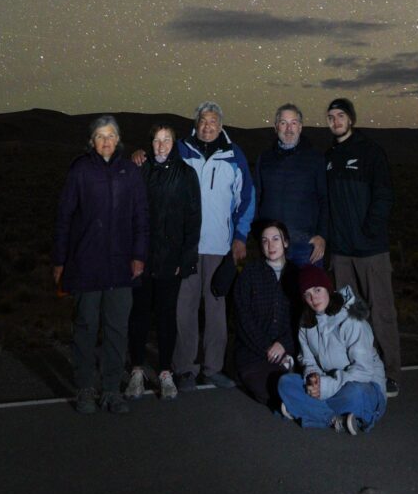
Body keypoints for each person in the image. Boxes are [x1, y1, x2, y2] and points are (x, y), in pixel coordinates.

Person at [52, 115, 148, 415]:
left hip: (121, 265)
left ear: (118, 139)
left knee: (116, 329)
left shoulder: (130, 171)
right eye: (100, 136)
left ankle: (111, 390)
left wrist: (139, 255)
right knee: (85, 327)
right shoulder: (81, 170)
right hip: (86, 262)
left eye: (110, 135)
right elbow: (64, 217)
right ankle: (84, 388)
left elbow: (141, 217)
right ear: (92, 141)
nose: (106, 141)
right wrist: (59, 260)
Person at [173, 100, 255, 390]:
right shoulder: (181, 150)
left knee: (216, 310)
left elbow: (246, 198)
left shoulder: (234, 155)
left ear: (221, 125)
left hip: (220, 246)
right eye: (203, 121)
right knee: (185, 308)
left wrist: (240, 236)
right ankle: (184, 369)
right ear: (196, 124)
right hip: (187, 246)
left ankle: (212, 368)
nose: (207, 127)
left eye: (213, 122)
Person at [325, 96, 401, 396]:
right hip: (342, 253)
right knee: (351, 313)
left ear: (351, 119)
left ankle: (391, 373)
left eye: (341, 116)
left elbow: (384, 195)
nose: (336, 121)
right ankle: (360, 368)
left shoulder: (370, 152)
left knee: (381, 312)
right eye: (331, 117)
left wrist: (370, 229)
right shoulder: (329, 157)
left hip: (371, 251)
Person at [125, 122, 201, 402]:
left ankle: (165, 371)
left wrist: (186, 258)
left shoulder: (186, 174)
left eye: (166, 139)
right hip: (142, 258)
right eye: (156, 140)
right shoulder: (139, 170)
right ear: (150, 143)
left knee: (167, 316)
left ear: (174, 143)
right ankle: (137, 370)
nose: (161, 145)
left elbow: (193, 218)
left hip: (171, 260)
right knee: (139, 315)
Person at [278, 266, 387, 434]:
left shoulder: (351, 320)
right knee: (286, 383)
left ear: (328, 288)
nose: (314, 298)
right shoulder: (306, 324)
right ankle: (334, 419)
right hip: (328, 386)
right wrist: (313, 379)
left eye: (317, 290)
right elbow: (308, 361)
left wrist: (326, 386)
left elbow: (364, 371)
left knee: (356, 393)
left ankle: (307, 410)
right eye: (307, 294)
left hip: (364, 385)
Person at [232, 220, 298, 409]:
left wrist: (284, 344)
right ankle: (295, 406)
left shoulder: (297, 275)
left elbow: (302, 319)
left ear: (286, 242)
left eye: (276, 239)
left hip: (288, 352)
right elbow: (242, 318)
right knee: (271, 391)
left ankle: (302, 407)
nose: (270, 245)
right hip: (253, 354)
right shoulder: (249, 274)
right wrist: (268, 348)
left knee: (306, 385)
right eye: (265, 241)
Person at [253, 104, 328, 267]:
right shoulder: (264, 159)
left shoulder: (315, 159)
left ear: (300, 127)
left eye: (293, 123)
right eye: (283, 123)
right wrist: (259, 232)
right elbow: (256, 196)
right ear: (276, 127)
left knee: (308, 284)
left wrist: (322, 235)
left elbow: (325, 198)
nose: (289, 129)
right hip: (272, 245)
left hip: (306, 246)